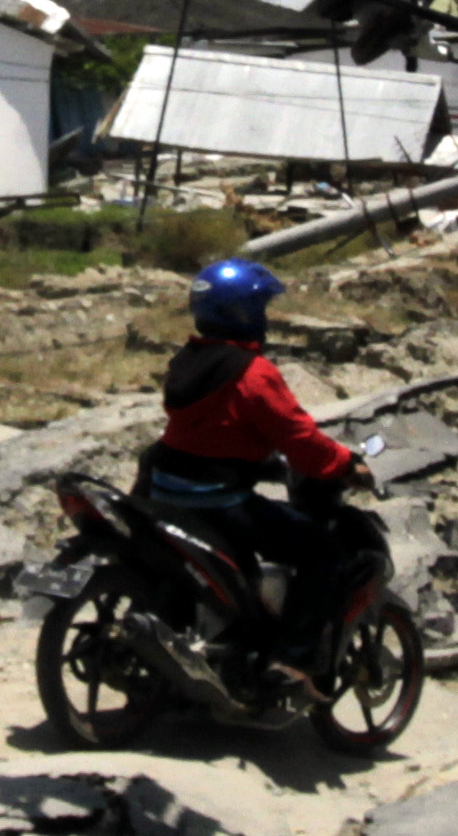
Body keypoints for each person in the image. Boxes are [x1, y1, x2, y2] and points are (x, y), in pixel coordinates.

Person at [147, 259, 381, 652]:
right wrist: (345, 464)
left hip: (166, 492)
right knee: (323, 553)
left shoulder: (186, 361)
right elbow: (299, 438)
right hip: (218, 502)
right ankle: (293, 656)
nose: (265, 319)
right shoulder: (253, 373)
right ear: (243, 313)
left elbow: (217, 432)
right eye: (261, 310)